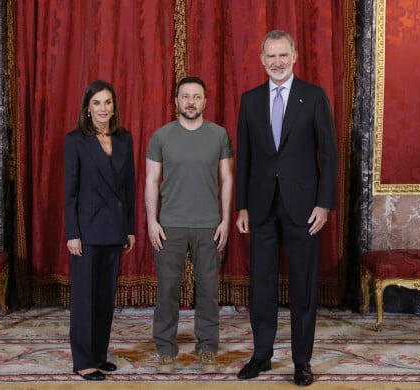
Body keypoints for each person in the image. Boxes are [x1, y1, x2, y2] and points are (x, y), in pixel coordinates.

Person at [235, 30, 338, 387]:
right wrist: (242, 207)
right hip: (261, 207)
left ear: (294, 56)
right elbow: (244, 159)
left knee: (303, 288)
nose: (277, 62)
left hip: (304, 208)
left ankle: (301, 361)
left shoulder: (313, 97)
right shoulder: (249, 101)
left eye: (283, 55)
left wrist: (324, 204)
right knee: (261, 285)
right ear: (262, 60)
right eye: (271, 56)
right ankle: (261, 355)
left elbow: (329, 155)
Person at [145, 76, 234, 374]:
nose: (191, 102)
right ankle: (166, 349)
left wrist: (225, 220)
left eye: (197, 96)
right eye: (185, 96)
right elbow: (151, 181)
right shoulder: (160, 136)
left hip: (209, 226)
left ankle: (207, 347)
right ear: (176, 101)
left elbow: (227, 179)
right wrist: (151, 222)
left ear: (205, 101)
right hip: (170, 226)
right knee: (168, 289)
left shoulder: (220, 135)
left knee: (208, 290)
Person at [64, 80, 136, 381]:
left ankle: (98, 355)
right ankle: (82, 360)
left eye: (108, 103)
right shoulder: (75, 140)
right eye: (97, 103)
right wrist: (73, 233)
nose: (103, 108)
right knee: (85, 298)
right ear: (87, 108)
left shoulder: (124, 138)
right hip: (88, 229)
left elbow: (129, 186)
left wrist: (130, 228)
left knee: (106, 298)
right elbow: (70, 190)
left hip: (115, 227)